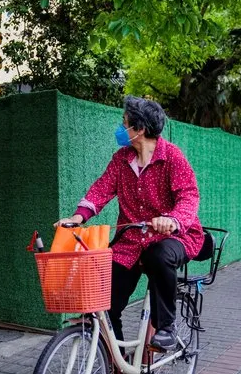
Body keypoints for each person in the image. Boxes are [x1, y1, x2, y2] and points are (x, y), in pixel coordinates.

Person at [54, 96, 204, 351]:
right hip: (131, 242)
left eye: (124, 124)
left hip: (175, 237)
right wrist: (78, 217)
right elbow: (101, 189)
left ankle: (166, 326)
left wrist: (173, 220)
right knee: (104, 303)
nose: (120, 129)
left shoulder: (172, 157)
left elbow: (189, 195)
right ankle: (118, 365)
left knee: (160, 255)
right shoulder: (121, 159)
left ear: (140, 129)